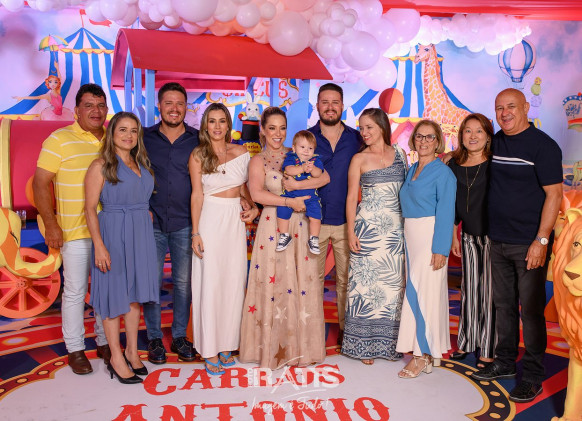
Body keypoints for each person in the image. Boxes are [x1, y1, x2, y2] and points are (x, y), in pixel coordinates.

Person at [471, 89, 563, 403]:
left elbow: (554, 195)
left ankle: (533, 377)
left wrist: (541, 240)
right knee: (504, 307)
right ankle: (505, 362)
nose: (504, 113)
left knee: (531, 312)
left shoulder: (544, 146)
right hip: (497, 240)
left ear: (525, 107)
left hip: (529, 244)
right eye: (499, 108)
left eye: (511, 106)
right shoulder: (495, 142)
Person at [239, 107, 329, 369]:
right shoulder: (258, 161)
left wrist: (299, 186)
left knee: (301, 281)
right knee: (274, 280)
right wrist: (289, 201)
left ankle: (299, 346)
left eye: (282, 128)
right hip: (273, 227)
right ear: (263, 130)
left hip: (301, 225)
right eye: (272, 128)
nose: (277, 133)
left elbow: (324, 177)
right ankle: (271, 346)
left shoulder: (298, 153)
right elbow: (257, 194)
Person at [33, 83, 110, 374]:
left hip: (108, 231)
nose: (95, 111)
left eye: (100, 105)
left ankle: (104, 341)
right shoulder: (59, 139)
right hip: (74, 231)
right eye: (89, 105)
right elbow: (40, 183)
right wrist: (51, 223)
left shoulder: (115, 138)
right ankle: (75, 348)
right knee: (76, 291)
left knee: (105, 290)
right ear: (76, 110)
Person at [85, 112, 159, 384]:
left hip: (140, 233)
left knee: (134, 296)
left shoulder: (141, 163)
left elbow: (141, 198)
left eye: (133, 130)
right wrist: (99, 246)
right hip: (113, 233)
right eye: (123, 130)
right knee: (113, 295)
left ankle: (131, 350)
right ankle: (116, 356)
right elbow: (89, 209)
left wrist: (143, 215)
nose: (129, 135)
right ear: (112, 134)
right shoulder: (101, 165)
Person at [189, 103, 258, 375]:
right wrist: (196, 232)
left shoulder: (241, 153)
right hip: (210, 219)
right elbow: (196, 195)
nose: (217, 126)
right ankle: (209, 348)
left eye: (221, 121)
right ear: (205, 125)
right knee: (210, 283)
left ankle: (228, 343)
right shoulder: (198, 155)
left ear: (229, 125)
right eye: (212, 121)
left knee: (233, 281)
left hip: (234, 222)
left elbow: (243, 188)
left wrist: (251, 206)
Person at [342, 108, 407, 365]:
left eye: (369, 127)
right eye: (361, 128)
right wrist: (351, 231)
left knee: (392, 288)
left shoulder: (400, 154)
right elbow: (351, 198)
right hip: (367, 231)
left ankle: (389, 345)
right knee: (365, 288)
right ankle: (363, 345)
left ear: (382, 126)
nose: (364, 132)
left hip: (395, 232)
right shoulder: (359, 158)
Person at [142, 82, 199, 364]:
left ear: (186, 107)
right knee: (151, 282)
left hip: (185, 221)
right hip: (151, 221)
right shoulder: (143, 137)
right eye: (168, 103)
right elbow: (131, 172)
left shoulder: (198, 139)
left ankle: (178, 336)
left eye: (179, 103)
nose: (174, 109)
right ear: (159, 106)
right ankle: (154, 337)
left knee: (183, 283)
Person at [302, 83, 362, 346]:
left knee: (347, 282)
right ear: (317, 105)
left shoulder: (357, 138)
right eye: (325, 102)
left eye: (335, 102)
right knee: (311, 281)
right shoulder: (307, 138)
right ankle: (311, 334)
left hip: (347, 223)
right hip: (313, 221)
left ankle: (348, 333)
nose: (330, 107)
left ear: (342, 105)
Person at [396, 119, 456, 378]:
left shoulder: (443, 173)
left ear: (438, 141)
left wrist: (440, 248)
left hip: (431, 236)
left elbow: (446, 212)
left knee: (427, 295)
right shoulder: (412, 169)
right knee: (417, 293)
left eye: (430, 137)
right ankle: (428, 354)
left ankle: (421, 355)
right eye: (419, 136)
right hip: (412, 236)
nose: (423, 141)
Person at [447, 113, 495, 370]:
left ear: (488, 136)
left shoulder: (495, 163)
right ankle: (466, 342)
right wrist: (454, 233)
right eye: (468, 131)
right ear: (461, 135)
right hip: (467, 235)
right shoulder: (453, 164)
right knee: (469, 292)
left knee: (488, 294)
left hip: (492, 237)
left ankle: (487, 349)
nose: (473, 136)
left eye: (479, 131)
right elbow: (451, 202)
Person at [276, 130, 324, 255]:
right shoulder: (291, 158)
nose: (306, 151)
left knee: (316, 216)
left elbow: (319, 174)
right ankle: (284, 235)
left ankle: (314, 238)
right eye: (302, 147)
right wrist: (302, 168)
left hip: (310, 197)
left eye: (310, 148)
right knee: (282, 210)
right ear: (294, 148)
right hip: (291, 195)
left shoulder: (315, 161)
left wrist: (312, 169)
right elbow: (289, 170)